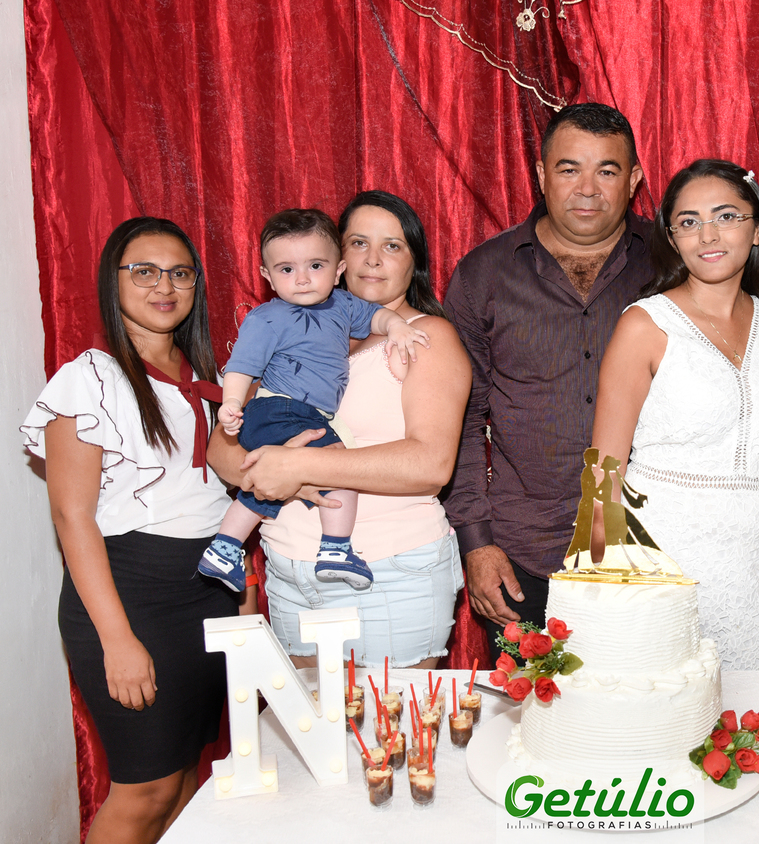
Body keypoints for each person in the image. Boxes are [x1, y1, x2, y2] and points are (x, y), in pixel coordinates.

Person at [442, 105, 759, 660]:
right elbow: (463, 417)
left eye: (608, 170)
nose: (587, 189)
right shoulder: (484, 274)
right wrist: (476, 542)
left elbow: (748, 391)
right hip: (524, 550)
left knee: (677, 701)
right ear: (541, 174)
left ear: (636, 179)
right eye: (569, 169)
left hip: (660, 552)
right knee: (547, 711)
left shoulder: (677, 262)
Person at [21, 218, 243, 843]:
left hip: (206, 593)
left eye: (179, 273)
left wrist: (241, 596)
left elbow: (220, 499)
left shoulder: (208, 377)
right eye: (144, 271)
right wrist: (116, 640)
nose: (163, 286)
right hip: (130, 595)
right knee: (144, 791)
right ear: (112, 281)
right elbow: (71, 517)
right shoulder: (89, 378)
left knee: (184, 779)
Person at [209, 191, 470, 668]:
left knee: (390, 719)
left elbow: (431, 464)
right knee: (310, 719)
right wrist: (283, 475)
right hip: (289, 572)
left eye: (392, 245)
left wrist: (300, 466)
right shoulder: (289, 326)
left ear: (414, 260)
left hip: (388, 571)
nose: (373, 259)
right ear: (338, 257)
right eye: (359, 242)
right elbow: (221, 450)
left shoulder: (424, 337)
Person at [589, 159, 759, 669]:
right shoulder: (645, 324)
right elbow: (605, 469)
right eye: (689, 221)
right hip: (657, 555)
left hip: (756, 566)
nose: (708, 235)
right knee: (657, 705)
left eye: (726, 216)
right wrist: (606, 580)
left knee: (747, 712)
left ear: (757, 229)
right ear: (672, 238)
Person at [198, 209, 428, 592]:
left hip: (301, 414)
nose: (302, 278)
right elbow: (241, 365)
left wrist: (398, 327)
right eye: (287, 269)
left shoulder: (343, 305)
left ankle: (224, 548)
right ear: (267, 275)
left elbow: (378, 317)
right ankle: (336, 548)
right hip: (280, 408)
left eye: (315, 266)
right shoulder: (267, 317)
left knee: (268, 484)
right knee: (339, 467)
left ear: (338, 270)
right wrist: (232, 404)